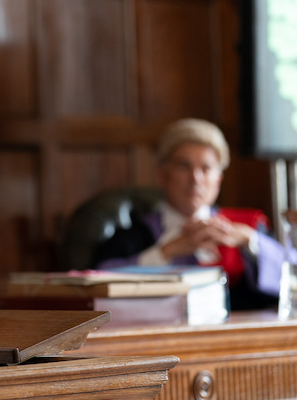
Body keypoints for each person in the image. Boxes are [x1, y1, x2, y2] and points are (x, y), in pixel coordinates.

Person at [96, 118, 283, 310]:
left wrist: (250, 240)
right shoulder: (133, 236)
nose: (196, 178)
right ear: (162, 175)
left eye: (206, 168)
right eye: (184, 166)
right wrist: (165, 253)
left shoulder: (250, 228)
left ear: (218, 180)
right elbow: (97, 284)